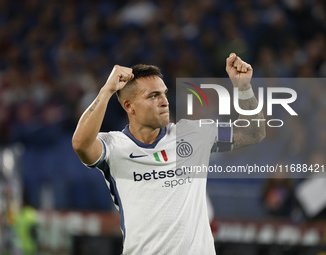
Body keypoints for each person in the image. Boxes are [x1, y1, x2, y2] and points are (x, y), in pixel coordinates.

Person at [72, 53, 266, 255]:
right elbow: (80, 144)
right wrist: (107, 90)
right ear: (129, 106)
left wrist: (244, 88)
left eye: (164, 93)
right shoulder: (113, 146)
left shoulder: (193, 134)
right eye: (153, 96)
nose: (164, 101)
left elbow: (253, 132)